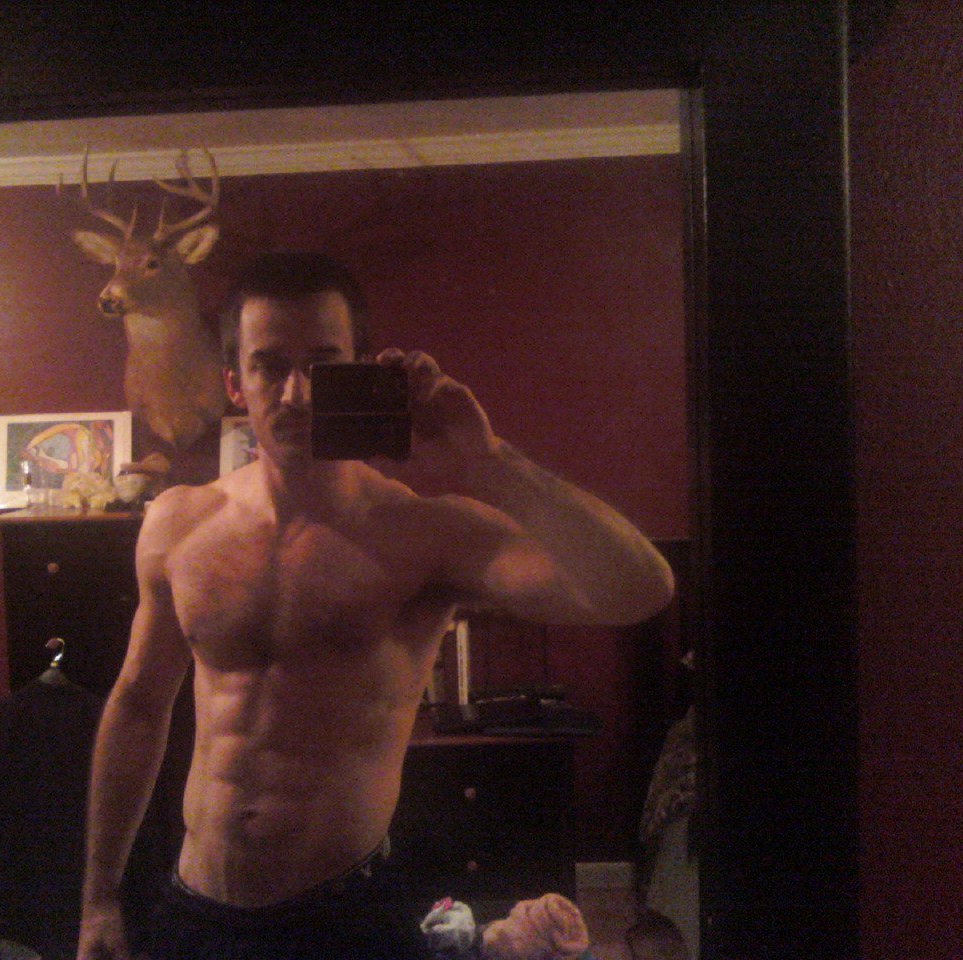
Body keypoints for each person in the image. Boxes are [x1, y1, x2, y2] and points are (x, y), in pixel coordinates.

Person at [77, 252, 675, 960]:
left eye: (322, 364)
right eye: (269, 366)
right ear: (235, 382)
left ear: (362, 371)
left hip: (345, 918)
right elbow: (138, 705)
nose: (296, 393)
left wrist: (487, 459)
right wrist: (100, 898)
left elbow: (639, 589)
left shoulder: (425, 533)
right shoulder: (177, 524)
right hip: (195, 907)